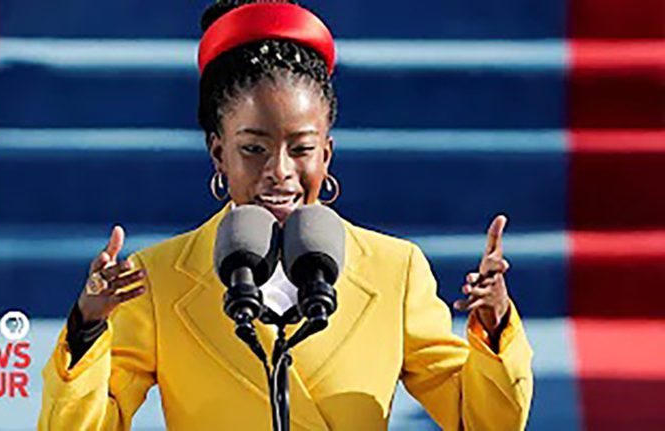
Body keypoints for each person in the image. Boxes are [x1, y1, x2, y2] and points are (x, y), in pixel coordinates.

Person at [38, 1, 533, 429]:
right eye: (253, 148)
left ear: (327, 154)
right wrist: (87, 328)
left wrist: (493, 327)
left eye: (301, 148)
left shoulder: (394, 270)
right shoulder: (158, 280)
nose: (280, 172)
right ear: (218, 154)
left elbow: (482, 421)